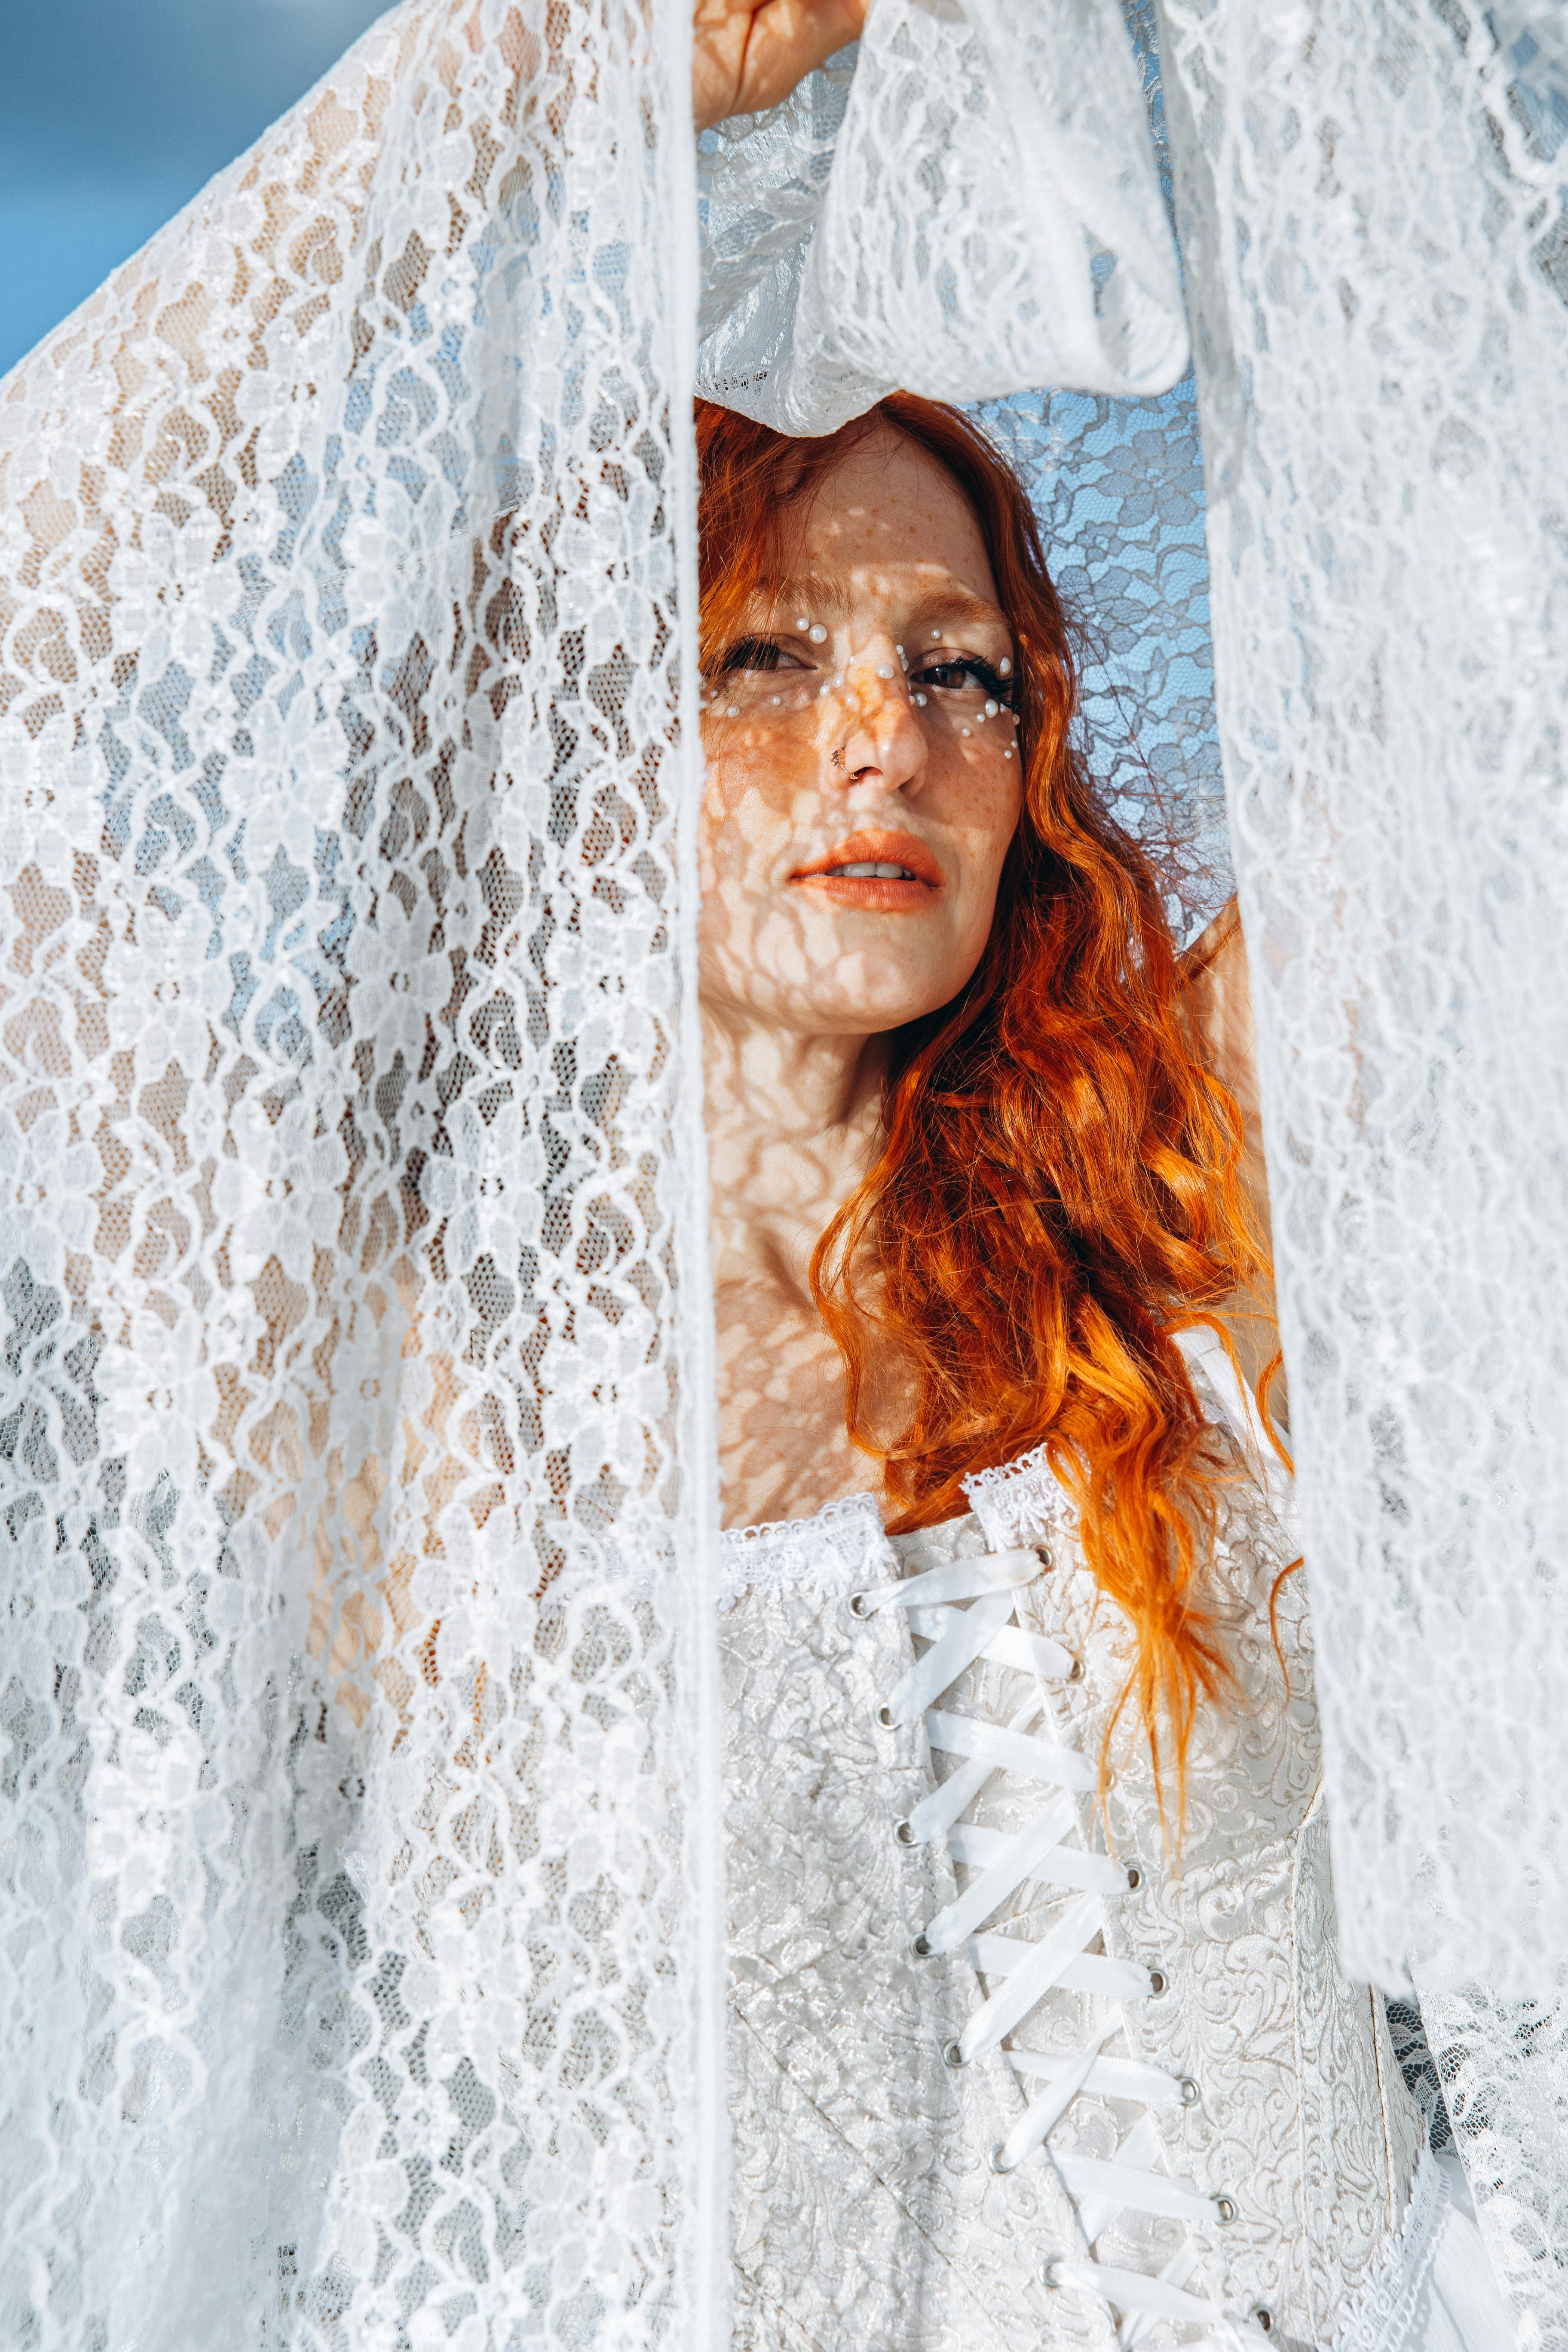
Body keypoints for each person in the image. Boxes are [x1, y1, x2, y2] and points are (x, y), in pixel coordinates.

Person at [695, 392, 1515, 2348]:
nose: (884, 735)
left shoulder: (1168, 1197)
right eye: (767, 653)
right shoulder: (434, 1408)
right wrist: (539, 81)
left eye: (960, 672)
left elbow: (1488, 596)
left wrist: (1279, 78)